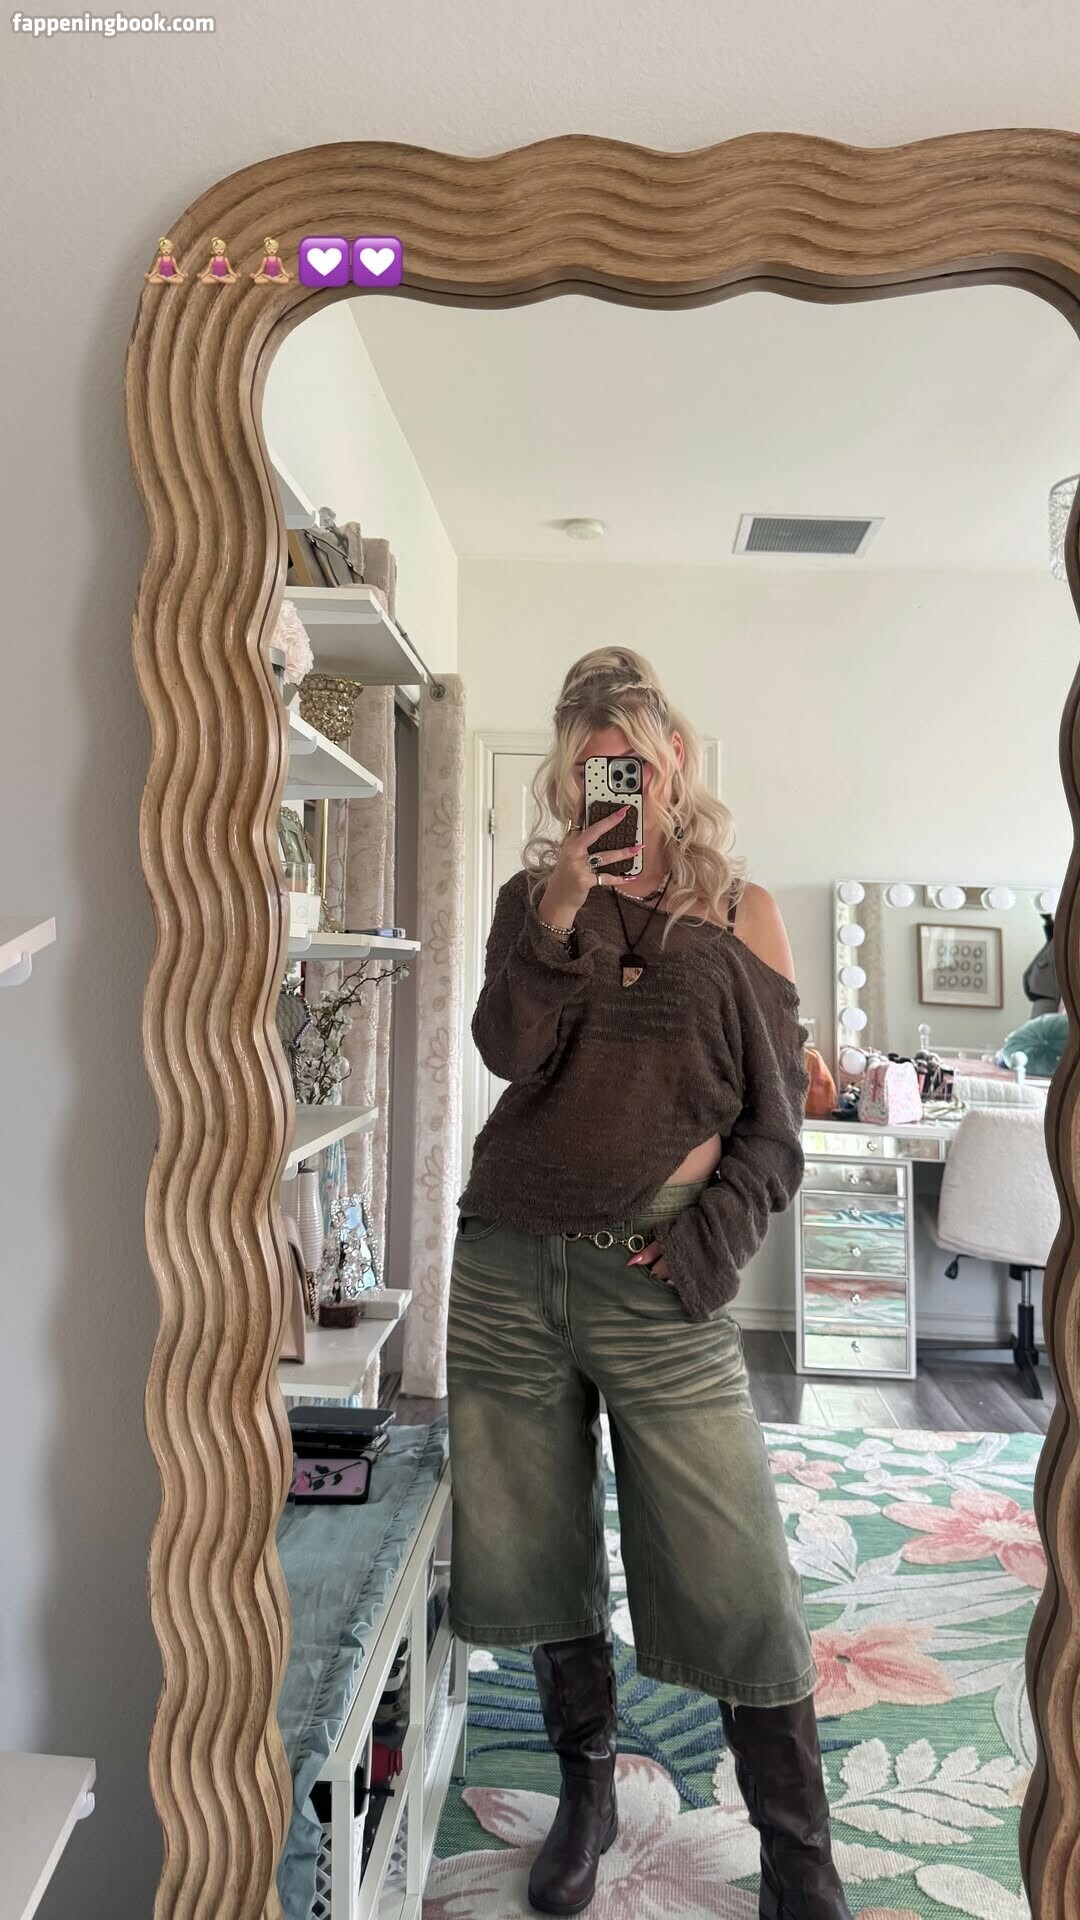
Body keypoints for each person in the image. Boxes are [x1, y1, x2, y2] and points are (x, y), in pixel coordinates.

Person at [448, 646, 850, 1920]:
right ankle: (588, 1794)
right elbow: (507, 1051)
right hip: (510, 1261)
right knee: (535, 1548)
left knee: (739, 1575)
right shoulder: (535, 900)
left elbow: (775, 1128)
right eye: (589, 766)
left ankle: (800, 1865)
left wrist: (705, 1243)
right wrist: (558, 917)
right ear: (567, 778)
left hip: (660, 1275)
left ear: (674, 759)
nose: (611, 784)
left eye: (631, 758)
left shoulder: (743, 914)